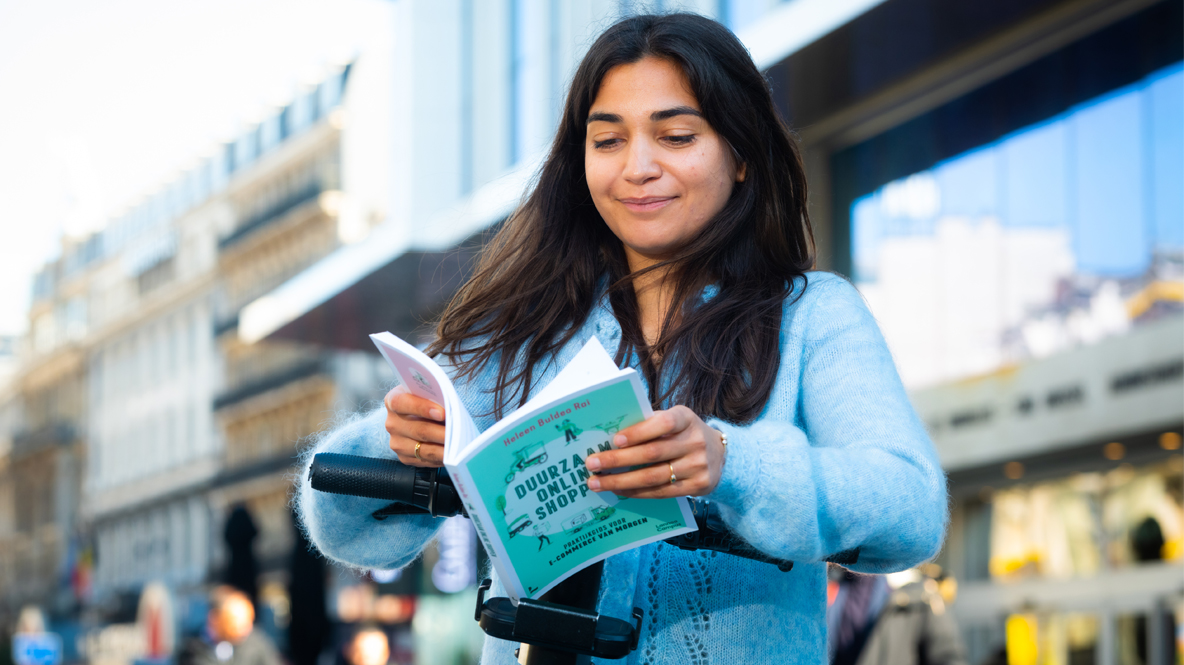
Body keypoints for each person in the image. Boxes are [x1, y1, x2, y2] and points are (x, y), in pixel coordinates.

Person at [297, 12, 947, 664]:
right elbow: (336, 520)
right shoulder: (528, 328)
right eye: (607, 141)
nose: (637, 167)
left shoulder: (813, 317)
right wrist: (400, 442)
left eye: (676, 135)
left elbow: (912, 507)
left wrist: (730, 463)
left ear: (742, 155)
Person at [178, 586, 281, 665]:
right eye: (236, 621)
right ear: (214, 619)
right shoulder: (192, 651)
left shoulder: (256, 644)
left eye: (248, 621)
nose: (246, 628)